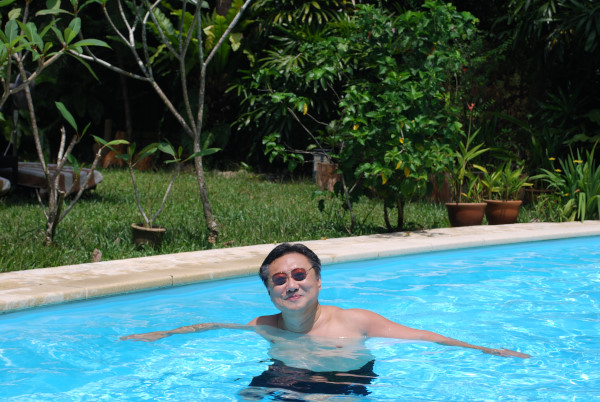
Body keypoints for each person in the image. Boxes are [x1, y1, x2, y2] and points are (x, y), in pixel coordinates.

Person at [122, 243, 530, 395]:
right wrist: (163, 333)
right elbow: (212, 326)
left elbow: (423, 336)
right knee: (246, 396)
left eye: (300, 275)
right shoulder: (264, 324)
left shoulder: (355, 321)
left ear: (318, 281)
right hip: (286, 375)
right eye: (279, 280)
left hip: (342, 380)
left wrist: (484, 350)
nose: (291, 285)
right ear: (270, 291)